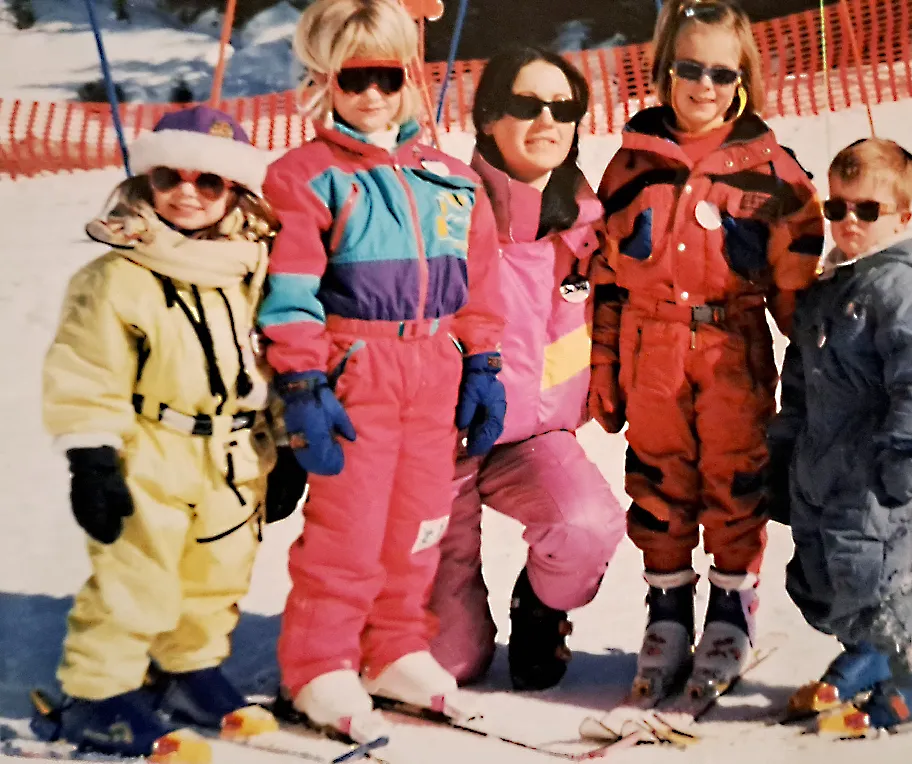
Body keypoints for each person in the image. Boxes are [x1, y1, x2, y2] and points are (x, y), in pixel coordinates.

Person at [258, 0, 505, 746]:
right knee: (351, 527)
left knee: (420, 521)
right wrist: (302, 381)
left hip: (433, 367)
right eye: (352, 77)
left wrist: (483, 361)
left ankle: (393, 647)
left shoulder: (449, 178)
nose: (371, 94)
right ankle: (319, 662)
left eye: (387, 77)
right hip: (356, 367)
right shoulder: (307, 176)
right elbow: (291, 291)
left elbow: (479, 283)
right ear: (323, 80)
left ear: (410, 78)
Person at [39, 105, 298, 758]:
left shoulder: (252, 268)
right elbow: (86, 369)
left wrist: (285, 442)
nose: (187, 192)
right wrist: (92, 458)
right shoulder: (117, 277)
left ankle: (189, 667)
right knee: (137, 578)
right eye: (169, 178)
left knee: (219, 573)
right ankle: (98, 695)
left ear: (235, 192)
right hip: (152, 448)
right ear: (145, 182)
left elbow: (272, 360)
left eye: (208, 181)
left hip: (235, 452)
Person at [589, 0, 824, 703]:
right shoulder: (631, 163)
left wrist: (822, 370)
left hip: (732, 346)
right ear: (665, 69)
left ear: (744, 78)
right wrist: (603, 367)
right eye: (690, 68)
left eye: (722, 73)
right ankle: (666, 611)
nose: (704, 85)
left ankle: (730, 609)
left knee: (735, 475)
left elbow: (798, 284)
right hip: (649, 345)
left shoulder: (772, 170)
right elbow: (606, 278)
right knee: (658, 478)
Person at [427, 47, 625, 692]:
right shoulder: (443, 207)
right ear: (488, 117)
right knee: (451, 663)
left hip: (533, 438)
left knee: (586, 526)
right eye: (526, 105)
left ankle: (539, 609)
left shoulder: (589, 227)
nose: (548, 121)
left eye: (563, 108)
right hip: (443, 444)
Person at [773, 138, 912, 732]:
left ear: (902, 218)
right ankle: (872, 652)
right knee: (819, 579)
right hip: (822, 466)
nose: (849, 221)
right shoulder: (833, 284)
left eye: (867, 209)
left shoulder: (905, 288)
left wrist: (908, 452)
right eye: (837, 208)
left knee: (876, 579)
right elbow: (800, 376)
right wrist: (783, 449)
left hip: (878, 472)